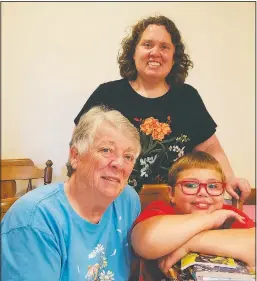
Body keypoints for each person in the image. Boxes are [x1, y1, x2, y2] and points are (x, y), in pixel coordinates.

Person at [1, 106, 181, 281]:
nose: (118, 164)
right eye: (106, 150)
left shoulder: (127, 200)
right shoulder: (34, 220)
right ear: (75, 156)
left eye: (128, 157)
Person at [74, 15, 251, 200]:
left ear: (174, 58)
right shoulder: (107, 94)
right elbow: (79, 145)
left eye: (164, 47)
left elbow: (211, 148)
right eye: (148, 44)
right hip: (110, 202)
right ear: (133, 53)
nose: (155, 53)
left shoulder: (188, 98)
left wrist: (229, 179)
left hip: (172, 205)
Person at [130, 151, 255, 281]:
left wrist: (190, 244)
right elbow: (145, 242)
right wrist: (211, 219)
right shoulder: (160, 211)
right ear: (171, 194)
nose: (203, 193)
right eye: (190, 185)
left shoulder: (229, 214)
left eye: (213, 186)